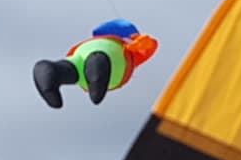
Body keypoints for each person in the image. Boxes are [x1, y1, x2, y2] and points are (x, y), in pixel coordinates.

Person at [33, 19, 161, 108]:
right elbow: (149, 46)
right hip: (112, 55)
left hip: (82, 51)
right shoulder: (129, 47)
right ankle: (98, 67)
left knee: (71, 68)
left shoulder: (95, 41)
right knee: (98, 62)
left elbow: (150, 45)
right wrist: (140, 42)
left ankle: (53, 70)